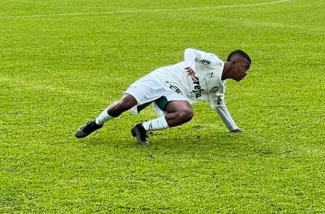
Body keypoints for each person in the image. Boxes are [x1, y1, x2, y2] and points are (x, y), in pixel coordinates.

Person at [75, 49, 251, 145]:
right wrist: (189, 65)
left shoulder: (218, 87)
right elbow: (191, 51)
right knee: (124, 104)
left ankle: (141, 129)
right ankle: (95, 123)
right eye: (245, 68)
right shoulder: (213, 61)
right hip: (161, 78)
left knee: (186, 113)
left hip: (174, 93)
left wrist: (234, 128)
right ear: (233, 64)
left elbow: (220, 106)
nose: (246, 73)